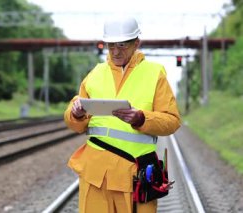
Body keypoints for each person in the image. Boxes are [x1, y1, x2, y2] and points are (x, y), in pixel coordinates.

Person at [64, 16, 181, 213]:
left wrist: (142, 118)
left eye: (122, 45)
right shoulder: (95, 74)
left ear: (136, 43)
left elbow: (172, 121)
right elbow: (75, 124)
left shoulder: (154, 74)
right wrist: (75, 114)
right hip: (95, 175)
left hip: (135, 174)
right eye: (111, 46)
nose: (116, 52)